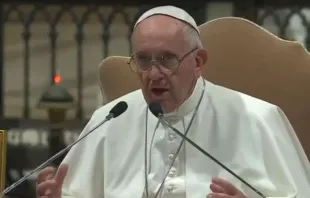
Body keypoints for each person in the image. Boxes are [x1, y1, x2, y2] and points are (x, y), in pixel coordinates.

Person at [36, 5, 310, 198]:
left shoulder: (258, 118)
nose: (153, 74)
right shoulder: (110, 119)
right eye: (143, 60)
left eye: (167, 59)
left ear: (199, 62)